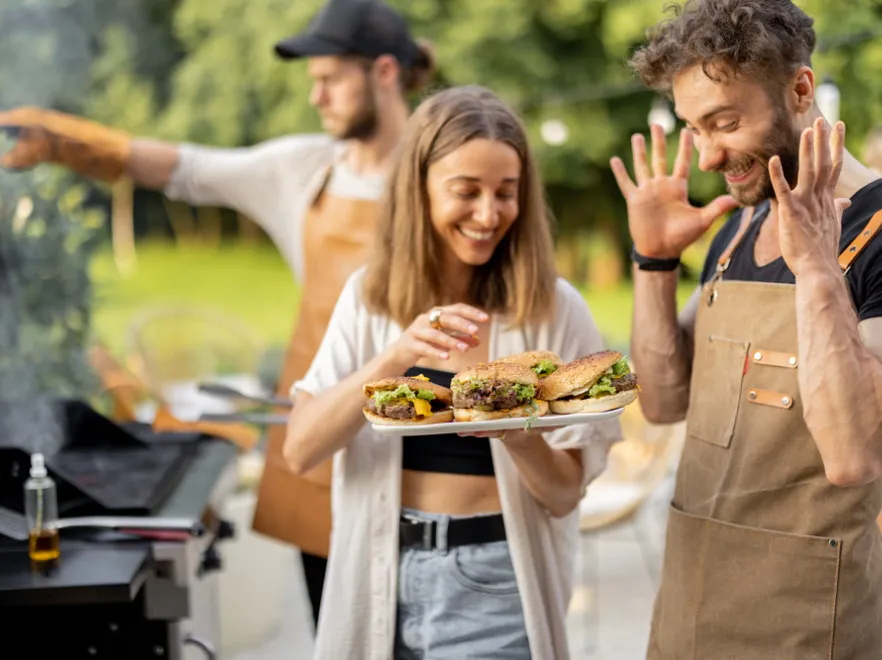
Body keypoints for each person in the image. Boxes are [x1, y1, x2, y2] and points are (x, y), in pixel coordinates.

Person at [0, 0, 436, 629]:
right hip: (322, 434)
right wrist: (66, 142)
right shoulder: (304, 168)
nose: (316, 97)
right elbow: (185, 169)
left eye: (329, 78)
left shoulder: (444, 172)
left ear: (385, 72)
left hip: (425, 439)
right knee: (340, 629)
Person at [283, 85, 622, 660]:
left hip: (496, 578)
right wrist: (394, 358)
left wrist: (518, 435)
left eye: (506, 194)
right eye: (466, 191)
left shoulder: (554, 309)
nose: (489, 215)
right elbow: (300, 449)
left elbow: (564, 496)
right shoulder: (369, 300)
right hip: (379, 569)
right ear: (418, 191)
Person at [609, 1, 882, 658]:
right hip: (690, 609)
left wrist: (818, 271)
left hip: (807, 627)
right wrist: (654, 262)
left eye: (725, 123)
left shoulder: (876, 234)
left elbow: (854, 453)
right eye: (693, 128)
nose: (706, 157)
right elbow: (663, 401)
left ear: (800, 89)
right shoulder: (737, 228)